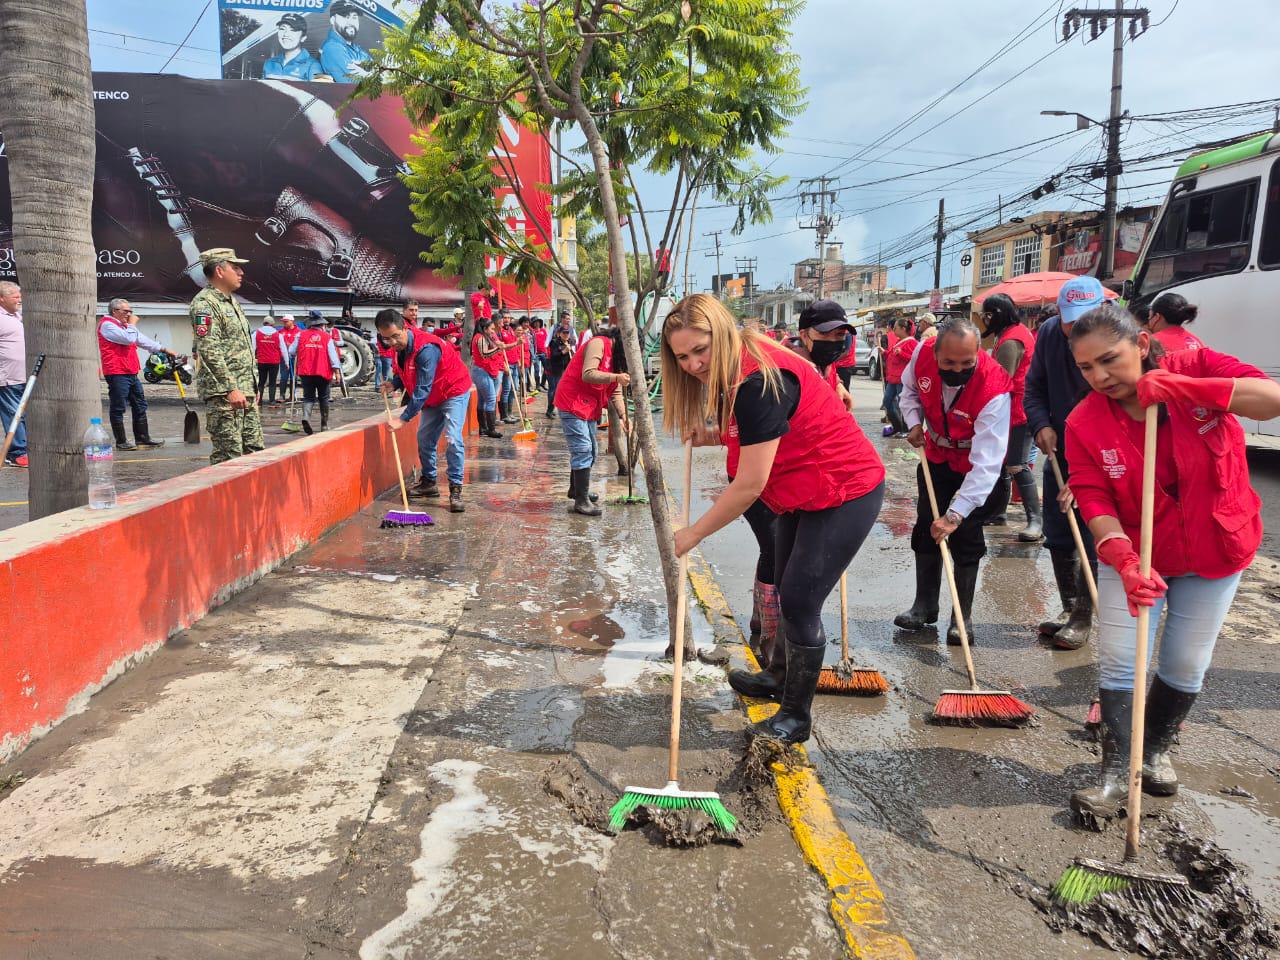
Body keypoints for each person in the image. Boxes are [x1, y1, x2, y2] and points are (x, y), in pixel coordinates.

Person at [1062, 303, 1280, 822]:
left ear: (1141, 344)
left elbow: (1271, 400)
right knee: (1120, 657)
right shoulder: (1083, 422)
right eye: (1086, 368)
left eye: (1109, 360)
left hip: (1216, 549)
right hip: (1136, 556)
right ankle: (1115, 773)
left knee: (1185, 661)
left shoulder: (1200, 365)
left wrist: (1183, 390)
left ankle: (1154, 751)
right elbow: (1092, 497)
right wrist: (1121, 556)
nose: (1100, 377)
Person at [665, 295, 885, 744]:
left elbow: (747, 486)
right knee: (786, 587)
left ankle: (796, 717)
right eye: (682, 356)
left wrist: (693, 534)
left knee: (802, 600)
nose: (692, 364)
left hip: (843, 488)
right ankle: (779, 676)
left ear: (721, 333)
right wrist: (711, 434)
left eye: (699, 350)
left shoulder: (759, 379)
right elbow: (758, 432)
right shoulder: (740, 362)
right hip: (800, 491)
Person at [893, 318, 1012, 644]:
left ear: (978, 353)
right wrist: (914, 422)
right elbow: (909, 392)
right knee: (925, 525)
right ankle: (924, 605)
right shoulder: (921, 355)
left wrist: (955, 514)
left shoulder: (994, 389)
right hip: (935, 455)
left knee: (966, 535)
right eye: (949, 363)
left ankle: (962, 617)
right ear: (936, 351)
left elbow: (987, 465)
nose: (957, 370)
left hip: (973, 464)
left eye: (966, 363)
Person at [1025, 276, 1108, 650]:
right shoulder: (1047, 334)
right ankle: (1069, 605)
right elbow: (1034, 386)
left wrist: (1088, 468)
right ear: (1058, 313)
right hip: (1059, 448)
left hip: (1101, 453)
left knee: (1092, 533)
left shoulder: (1112, 337)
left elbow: (1116, 405)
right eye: (1070, 323)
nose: (1077, 331)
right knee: (1059, 531)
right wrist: (1041, 424)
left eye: (1085, 321)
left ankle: (1084, 615)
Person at [376, 309, 473, 513]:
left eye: (395, 336)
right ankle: (429, 483)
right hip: (432, 397)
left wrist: (403, 419)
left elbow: (422, 388)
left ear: (405, 328)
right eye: (386, 339)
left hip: (452, 390)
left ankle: (456, 489)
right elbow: (406, 372)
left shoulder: (426, 348)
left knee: (453, 438)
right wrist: (394, 383)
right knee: (424, 439)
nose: (392, 342)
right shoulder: (399, 348)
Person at [979, 293, 1043, 541]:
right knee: (1002, 463)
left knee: (1017, 464)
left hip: (1017, 410)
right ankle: (997, 512)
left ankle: (1035, 521)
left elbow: (1000, 380)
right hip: (1011, 409)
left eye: (986, 315)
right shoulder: (1011, 333)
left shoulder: (1010, 341)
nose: (984, 319)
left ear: (995, 314)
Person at [190, 248, 263, 465]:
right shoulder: (205, 304)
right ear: (220, 271)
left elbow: (241, 348)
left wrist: (252, 387)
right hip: (225, 395)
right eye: (235, 267)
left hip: (245, 391)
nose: (241, 272)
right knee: (229, 458)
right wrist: (231, 388)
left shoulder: (231, 302)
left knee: (255, 454)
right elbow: (209, 349)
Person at [554, 326, 629, 516]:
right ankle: (581, 501)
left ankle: (577, 490)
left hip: (588, 405)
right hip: (572, 400)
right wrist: (616, 377)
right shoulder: (599, 343)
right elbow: (588, 373)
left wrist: (623, 415)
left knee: (592, 450)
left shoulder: (617, 359)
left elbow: (616, 390)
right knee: (583, 448)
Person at [98, 298, 177, 450]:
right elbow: (129, 339)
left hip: (130, 370)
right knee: (118, 406)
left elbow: (142, 340)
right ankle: (121, 442)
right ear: (114, 311)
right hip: (116, 372)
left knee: (140, 404)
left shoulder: (125, 326)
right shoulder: (107, 325)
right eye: (125, 311)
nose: (129, 314)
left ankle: (142, 438)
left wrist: (165, 349)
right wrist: (132, 324)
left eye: (130, 312)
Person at [289, 315, 341, 434]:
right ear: (322, 326)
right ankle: (324, 425)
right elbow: (333, 357)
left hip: (306, 372)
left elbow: (291, 351)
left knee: (308, 397)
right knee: (324, 398)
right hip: (323, 372)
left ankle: (306, 418)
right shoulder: (327, 337)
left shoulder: (300, 335)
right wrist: (337, 372)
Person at [0, 282, 26, 467]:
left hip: (25, 376)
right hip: (7, 377)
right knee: (13, 413)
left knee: (23, 414)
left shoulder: (17, 316)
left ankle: (22, 449)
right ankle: (18, 453)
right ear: (2, 298)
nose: (20, 299)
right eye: (15, 297)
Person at [262, 14, 327, 81]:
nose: (286, 34)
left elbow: (322, 90)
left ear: (303, 38)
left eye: (293, 30)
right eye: (282, 28)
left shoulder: (315, 65)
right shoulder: (269, 63)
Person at [881, 317, 917, 437]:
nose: (893, 330)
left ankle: (906, 429)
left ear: (902, 329)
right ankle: (897, 426)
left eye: (895, 328)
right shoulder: (898, 341)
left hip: (902, 379)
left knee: (903, 404)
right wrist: (885, 352)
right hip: (893, 378)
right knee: (887, 401)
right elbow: (892, 356)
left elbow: (914, 359)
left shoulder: (911, 342)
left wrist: (901, 353)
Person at [470, 317, 506, 438]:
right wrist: (498, 348)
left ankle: (483, 429)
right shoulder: (480, 338)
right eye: (491, 328)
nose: (493, 330)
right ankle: (491, 429)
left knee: (482, 400)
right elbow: (484, 354)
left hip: (480, 371)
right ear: (485, 329)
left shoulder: (481, 337)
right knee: (491, 399)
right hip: (481, 372)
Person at [319, 0, 370, 82]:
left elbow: (383, 72)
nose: (351, 22)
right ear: (332, 20)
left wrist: (366, 75)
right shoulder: (332, 47)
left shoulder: (357, 49)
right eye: (345, 17)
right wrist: (371, 74)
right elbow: (354, 85)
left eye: (354, 17)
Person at [253, 316, 286, 406]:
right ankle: (272, 401)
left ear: (264, 323)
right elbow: (283, 349)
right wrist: (286, 362)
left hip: (261, 361)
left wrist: (252, 360)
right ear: (272, 324)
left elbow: (252, 348)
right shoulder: (278, 335)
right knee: (272, 382)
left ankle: (259, 401)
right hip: (274, 362)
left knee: (261, 382)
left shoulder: (256, 333)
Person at [544, 320, 574, 418]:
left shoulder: (569, 342)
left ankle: (553, 409)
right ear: (559, 334)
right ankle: (549, 410)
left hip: (563, 370)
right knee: (553, 390)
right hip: (553, 370)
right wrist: (564, 351)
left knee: (559, 390)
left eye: (567, 333)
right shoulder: (554, 342)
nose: (566, 334)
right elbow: (554, 356)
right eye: (564, 333)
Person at [497, 316, 520, 423]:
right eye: (504, 318)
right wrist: (504, 364)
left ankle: (510, 413)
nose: (506, 320)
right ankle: (504, 415)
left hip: (515, 363)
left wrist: (518, 359)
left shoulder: (511, 330)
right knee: (506, 389)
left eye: (508, 318)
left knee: (514, 388)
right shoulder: (499, 333)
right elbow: (500, 349)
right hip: (507, 363)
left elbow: (515, 346)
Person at [278, 315, 301, 401]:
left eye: (286, 321)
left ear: (292, 321)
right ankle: (282, 395)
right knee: (283, 377)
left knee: (293, 377)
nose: (284, 323)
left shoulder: (298, 332)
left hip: (294, 358)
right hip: (284, 358)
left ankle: (292, 395)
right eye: (283, 321)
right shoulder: (280, 332)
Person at [531, 317, 549, 390]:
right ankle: (537, 386)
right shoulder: (532, 331)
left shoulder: (543, 330)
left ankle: (543, 384)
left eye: (538, 322)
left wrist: (547, 351)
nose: (537, 323)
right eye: (535, 322)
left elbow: (547, 341)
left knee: (547, 369)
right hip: (536, 354)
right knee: (537, 370)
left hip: (544, 353)